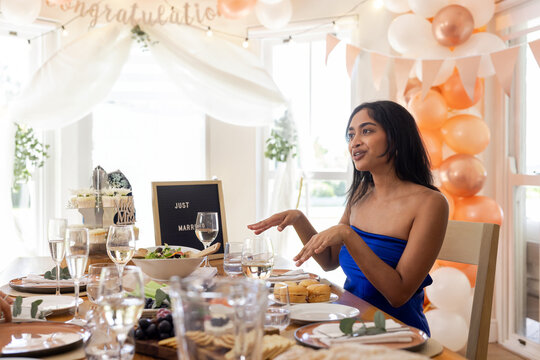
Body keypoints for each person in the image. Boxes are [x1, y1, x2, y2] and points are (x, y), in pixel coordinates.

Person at [248, 100, 449, 336]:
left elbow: (398, 295)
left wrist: (348, 235)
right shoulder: (360, 194)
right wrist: (298, 219)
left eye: (367, 130)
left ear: (395, 138)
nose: (354, 142)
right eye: (350, 135)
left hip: (396, 334)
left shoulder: (430, 203)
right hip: (347, 324)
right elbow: (329, 261)